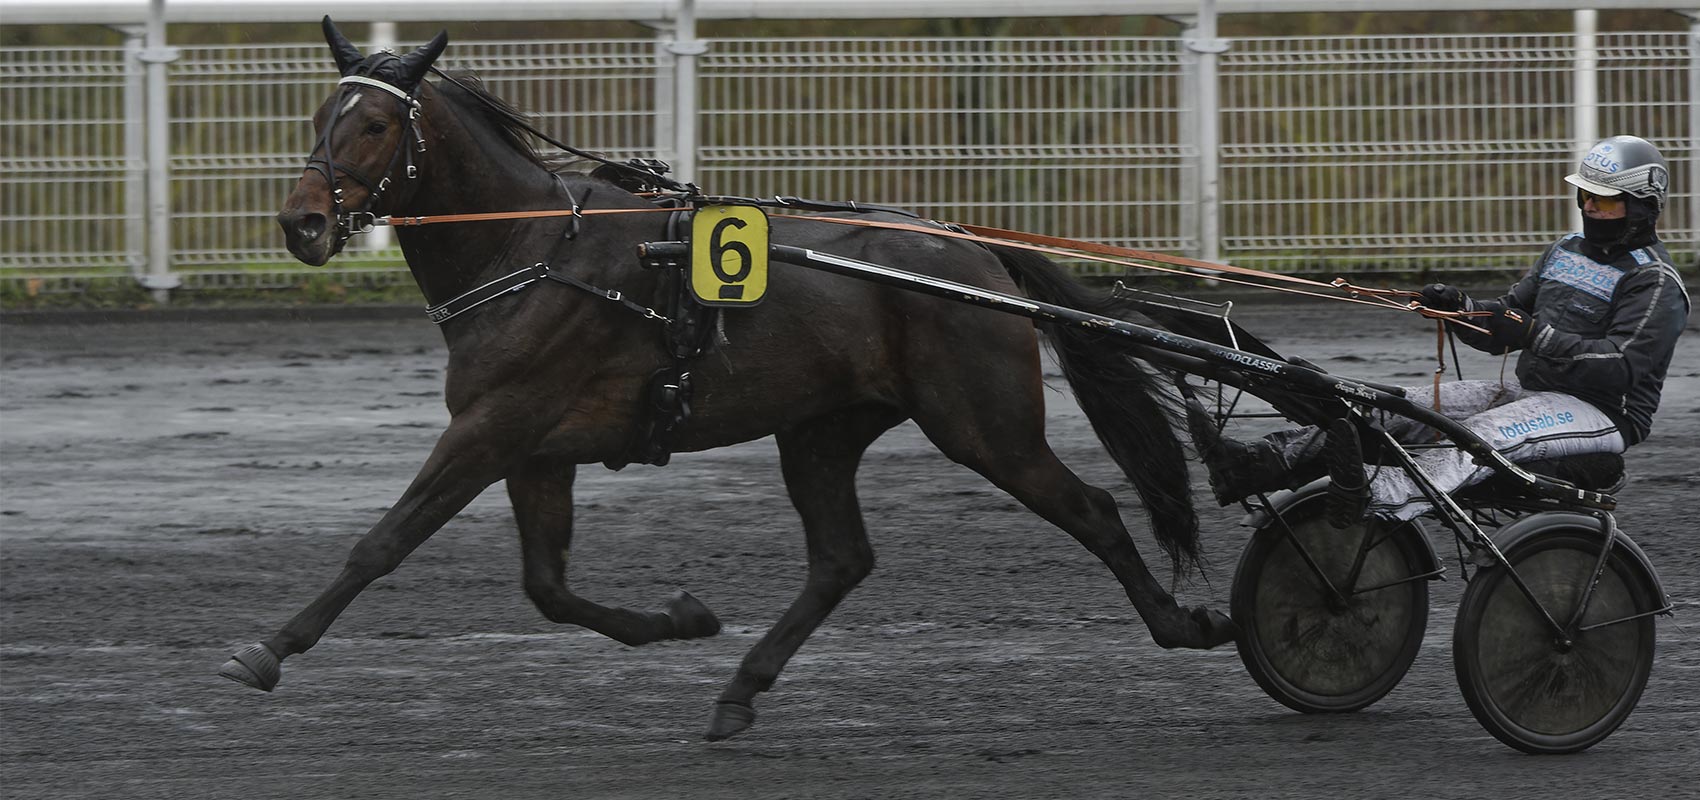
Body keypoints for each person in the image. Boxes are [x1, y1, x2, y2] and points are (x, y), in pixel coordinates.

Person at [1189, 134, 1691, 522]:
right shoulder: (1563, 251)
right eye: (1585, 197)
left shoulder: (1655, 281)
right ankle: (1256, 463)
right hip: (1529, 390)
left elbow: (1622, 367)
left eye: (1604, 202)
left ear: (1642, 206)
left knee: (1475, 437)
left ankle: (1375, 494)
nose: (1589, 209)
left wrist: (1531, 333)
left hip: (1601, 413)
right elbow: (1499, 326)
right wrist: (1458, 307)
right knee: (1392, 405)